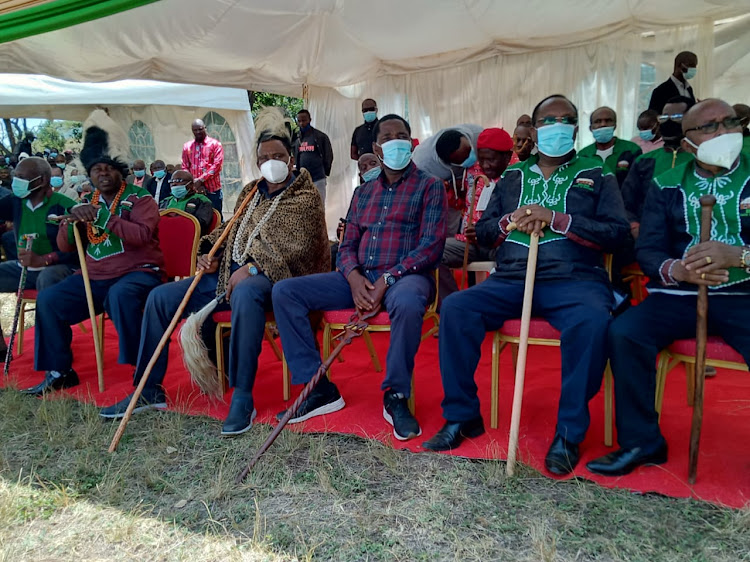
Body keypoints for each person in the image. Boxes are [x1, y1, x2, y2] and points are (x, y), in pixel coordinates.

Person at [422, 95, 629, 477]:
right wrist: (508, 222)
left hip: (576, 279)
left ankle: (568, 433)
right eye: (548, 121)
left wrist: (558, 219)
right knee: (455, 309)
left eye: (566, 119)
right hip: (512, 277)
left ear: (576, 127)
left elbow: (618, 235)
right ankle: (462, 417)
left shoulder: (597, 174)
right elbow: (483, 233)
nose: (557, 126)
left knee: (591, 322)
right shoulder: (514, 177)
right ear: (534, 131)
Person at [100, 108, 329, 435]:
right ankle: (148, 389)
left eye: (278, 155)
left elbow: (299, 249)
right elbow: (230, 232)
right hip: (225, 276)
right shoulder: (251, 192)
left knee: (248, 292)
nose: (272, 162)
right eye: (265, 157)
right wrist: (209, 252)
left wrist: (251, 268)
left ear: (291, 158)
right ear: (258, 161)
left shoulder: (305, 196)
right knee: (160, 298)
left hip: (278, 281)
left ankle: (243, 397)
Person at [587, 99, 748, 476]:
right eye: (709, 127)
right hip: (680, 295)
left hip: (744, 293)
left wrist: (738, 255)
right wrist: (679, 269)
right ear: (689, 141)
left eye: (730, 122)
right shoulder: (667, 183)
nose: (723, 132)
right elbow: (649, 250)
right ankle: (642, 442)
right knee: (625, 332)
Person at [273, 114, 447, 441]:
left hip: (406, 277)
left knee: (409, 303)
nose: (396, 142)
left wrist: (388, 279)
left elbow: (431, 247)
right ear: (378, 148)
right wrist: (353, 277)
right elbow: (348, 243)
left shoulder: (430, 186)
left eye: (402, 136)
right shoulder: (363, 193)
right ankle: (318, 389)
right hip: (359, 276)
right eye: (388, 137)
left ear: (410, 143)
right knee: (285, 292)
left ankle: (396, 394)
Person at [21, 118, 165, 396]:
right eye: (96, 169)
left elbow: (142, 236)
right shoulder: (87, 202)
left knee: (120, 296)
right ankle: (60, 371)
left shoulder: (141, 199)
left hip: (140, 274)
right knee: (49, 300)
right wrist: (70, 223)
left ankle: (145, 375)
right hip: (95, 278)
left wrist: (102, 217)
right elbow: (66, 248)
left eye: (109, 168)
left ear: (120, 171)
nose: (102, 173)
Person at [0, 157, 78, 354]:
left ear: (42, 180)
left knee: (47, 278)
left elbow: (78, 250)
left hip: (59, 269)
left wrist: (45, 259)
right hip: (23, 268)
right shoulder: (15, 202)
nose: (15, 181)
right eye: (14, 177)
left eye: (21, 177)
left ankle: (56, 357)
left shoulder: (63, 204)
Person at [438, 128, 513, 304]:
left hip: (501, 243)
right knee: (433, 250)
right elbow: (464, 202)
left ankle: (499, 306)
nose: (485, 165)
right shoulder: (471, 170)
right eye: (482, 158)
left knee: (515, 255)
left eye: (491, 159)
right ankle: (454, 303)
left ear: (507, 157)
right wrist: (449, 192)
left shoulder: (517, 174)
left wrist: (488, 231)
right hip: (468, 240)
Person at [622, 96, 696, 232]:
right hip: (649, 235)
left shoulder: (701, 159)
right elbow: (626, 203)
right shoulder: (643, 161)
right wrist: (635, 228)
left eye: (676, 117)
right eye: (664, 118)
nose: (668, 122)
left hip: (690, 235)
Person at [412, 124, 483, 236]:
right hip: (445, 189)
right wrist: (450, 186)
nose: (471, 156)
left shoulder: (478, 135)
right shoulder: (422, 163)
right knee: (447, 224)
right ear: (451, 163)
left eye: (469, 150)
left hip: (478, 179)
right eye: (464, 158)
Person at [578, 106, 642, 186]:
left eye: (608, 121)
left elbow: (637, 183)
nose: (603, 124)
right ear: (591, 128)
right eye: (598, 121)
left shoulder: (632, 150)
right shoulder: (583, 155)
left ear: (615, 125)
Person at [182, 119, 224, 213]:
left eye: (200, 129)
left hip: (212, 191)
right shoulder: (187, 147)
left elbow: (217, 166)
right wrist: (194, 184)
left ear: (205, 128)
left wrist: (200, 180)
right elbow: (185, 166)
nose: (198, 132)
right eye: (195, 130)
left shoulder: (215, 145)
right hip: (194, 190)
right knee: (196, 218)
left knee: (216, 218)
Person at [293, 109, 333, 205]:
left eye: (304, 120)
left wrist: (324, 171)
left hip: (318, 178)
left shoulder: (320, 136)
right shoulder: (296, 138)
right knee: (304, 206)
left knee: (319, 205)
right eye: (299, 121)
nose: (302, 123)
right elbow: (295, 156)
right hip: (303, 179)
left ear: (310, 120)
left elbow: (329, 155)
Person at [159, 169, 214, 235]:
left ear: (191, 184)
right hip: (164, 235)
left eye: (179, 180)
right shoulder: (165, 201)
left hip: (188, 238)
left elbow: (201, 224)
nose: (174, 184)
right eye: (171, 181)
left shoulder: (202, 201)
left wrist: (173, 216)